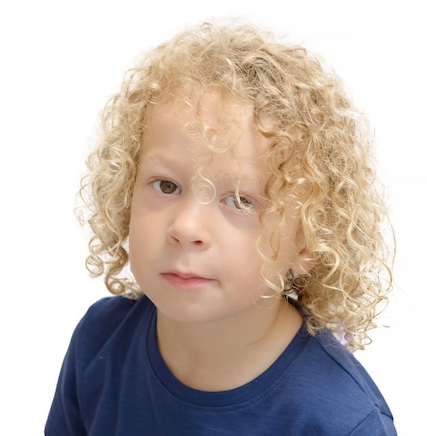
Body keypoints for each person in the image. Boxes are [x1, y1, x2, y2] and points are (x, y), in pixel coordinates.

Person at [45, 20, 396, 435]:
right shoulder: (100, 343)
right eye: (166, 185)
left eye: (241, 200)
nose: (186, 226)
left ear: (309, 239)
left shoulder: (337, 420)